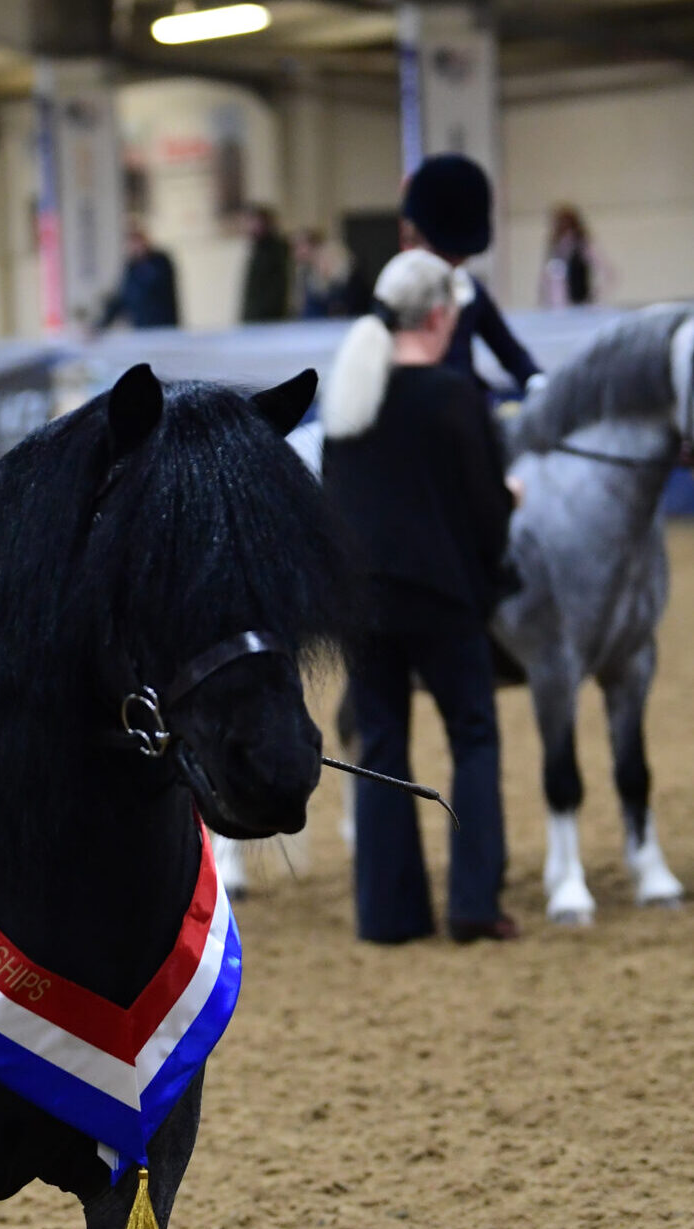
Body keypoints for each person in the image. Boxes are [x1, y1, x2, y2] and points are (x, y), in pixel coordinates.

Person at [322, 250, 520, 946]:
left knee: (381, 745)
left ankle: (389, 913)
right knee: (472, 735)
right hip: (441, 598)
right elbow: (485, 513)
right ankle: (472, 903)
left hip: (364, 601)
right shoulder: (454, 396)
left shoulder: (350, 398)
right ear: (439, 315)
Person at [401, 153, 541, 395]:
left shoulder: (470, 290)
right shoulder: (401, 291)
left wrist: (538, 384)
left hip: (463, 403)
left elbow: (511, 353)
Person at [97, 221, 180, 331]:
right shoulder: (131, 268)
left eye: (137, 242)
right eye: (131, 243)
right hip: (141, 328)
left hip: (163, 327)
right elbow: (122, 297)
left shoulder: (161, 261)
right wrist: (100, 325)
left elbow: (153, 288)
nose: (135, 247)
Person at [539, 204, 611, 308]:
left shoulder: (582, 245)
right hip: (557, 307)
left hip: (579, 305)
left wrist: (595, 296)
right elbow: (546, 278)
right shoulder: (555, 247)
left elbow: (607, 272)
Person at [240, 205, 291, 323]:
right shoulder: (256, 248)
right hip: (253, 317)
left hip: (268, 319)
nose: (250, 226)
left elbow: (278, 288)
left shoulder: (277, 249)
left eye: (254, 221)